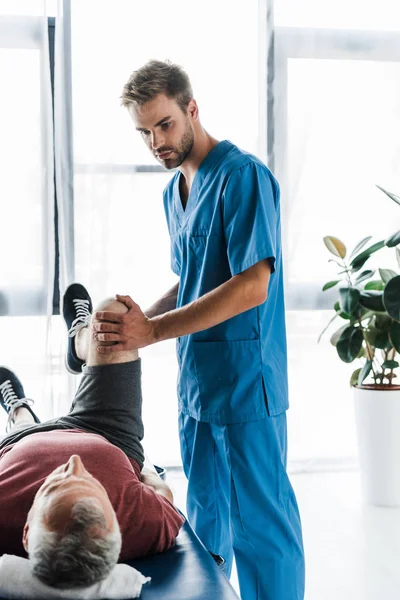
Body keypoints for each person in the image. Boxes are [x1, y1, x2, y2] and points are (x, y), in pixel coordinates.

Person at [91, 60, 305, 600]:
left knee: (261, 527)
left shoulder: (243, 176)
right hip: (198, 388)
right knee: (207, 524)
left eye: (163, 125)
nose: (155, 142)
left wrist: (154, 331)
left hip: (244, 384)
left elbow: (253, 283)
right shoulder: (174, 194)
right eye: (144, 132)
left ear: (191, 109)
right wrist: (136, 322)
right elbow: (191, 281)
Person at [0, 283, 184, 589]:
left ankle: (19, 412)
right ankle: (79, 341)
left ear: (27, 529)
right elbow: (162, 493)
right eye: (89, 483)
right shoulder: (144, 524)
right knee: (114, 315)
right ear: (116, 525)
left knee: (22, 428)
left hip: (19, 444)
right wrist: (140, 467)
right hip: (109, 431)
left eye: (54, 486)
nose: (73, 462)